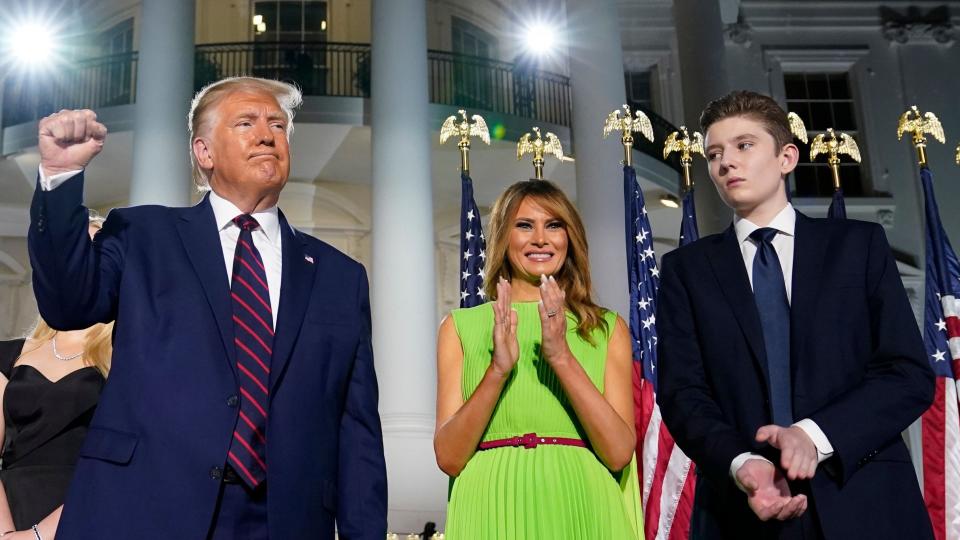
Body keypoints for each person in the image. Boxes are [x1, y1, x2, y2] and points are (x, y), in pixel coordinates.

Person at [27, 77, 386, 539]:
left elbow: (357, 433)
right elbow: (67, 304)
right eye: (245, 122)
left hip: (285, 521)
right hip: (146, 508)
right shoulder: (143, 234)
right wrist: (60, 177)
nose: (267, 134)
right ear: (204, 153)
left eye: (278, 124)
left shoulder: (340, 276)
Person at [656, 90, 934, 539]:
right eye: (714, 154)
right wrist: (742, 463)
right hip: (743, 512)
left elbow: (906, 373)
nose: (726, 163)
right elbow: (683, 393)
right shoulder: (686, 271)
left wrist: (814, 436)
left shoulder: (857, 248)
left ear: (787, 157)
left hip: (865, 499)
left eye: (744, 146)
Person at [434, 179, 642, 539]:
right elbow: (449, 458)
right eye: (524, 225)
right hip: (489, 508)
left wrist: (561, 356)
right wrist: (498, 371)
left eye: (554, 225)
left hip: (582, 505)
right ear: (503, 236)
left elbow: (619, 452)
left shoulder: (607, 328)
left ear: (570, 237)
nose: (541, 239)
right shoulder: (459, 328)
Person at [0, 217, 113, 540]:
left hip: (88, 512)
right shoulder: (8, 355)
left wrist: (39, 535)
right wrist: (7, 535)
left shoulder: (129, 357)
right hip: (10, 510)